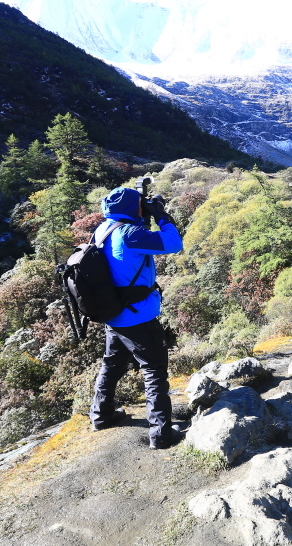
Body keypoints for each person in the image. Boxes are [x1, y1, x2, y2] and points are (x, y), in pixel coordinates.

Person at [89, 186, 184, 449]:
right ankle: (161, 433)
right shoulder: (131, 234)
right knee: (153, 370)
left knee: (111, 365)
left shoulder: (102, 229)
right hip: (138, 318)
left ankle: (101, 415)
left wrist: (144, 212)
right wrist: (161, 215)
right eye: (140, 204)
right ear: (134, 208)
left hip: (113, 313)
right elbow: (174, 244)